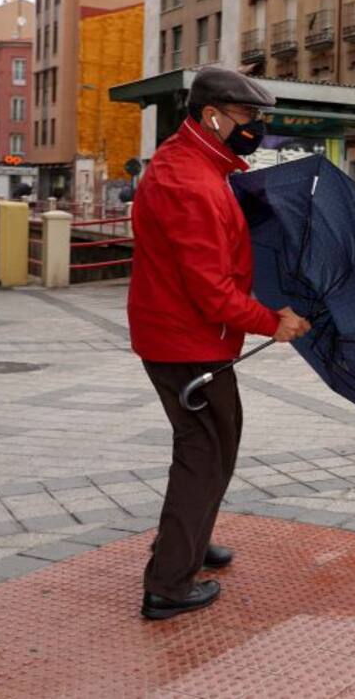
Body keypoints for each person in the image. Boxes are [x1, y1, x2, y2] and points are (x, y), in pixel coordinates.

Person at [127, 68, 311, 620]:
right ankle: (168, 585)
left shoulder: (192, 162)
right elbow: (211, 292)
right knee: (206, 452)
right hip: (187, 342)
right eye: (248, 116)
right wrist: (272, 322)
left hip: (181, 335)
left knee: (210, 445)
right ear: (213, 116)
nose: (256, 128)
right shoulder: (193, 183)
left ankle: (188, 540)